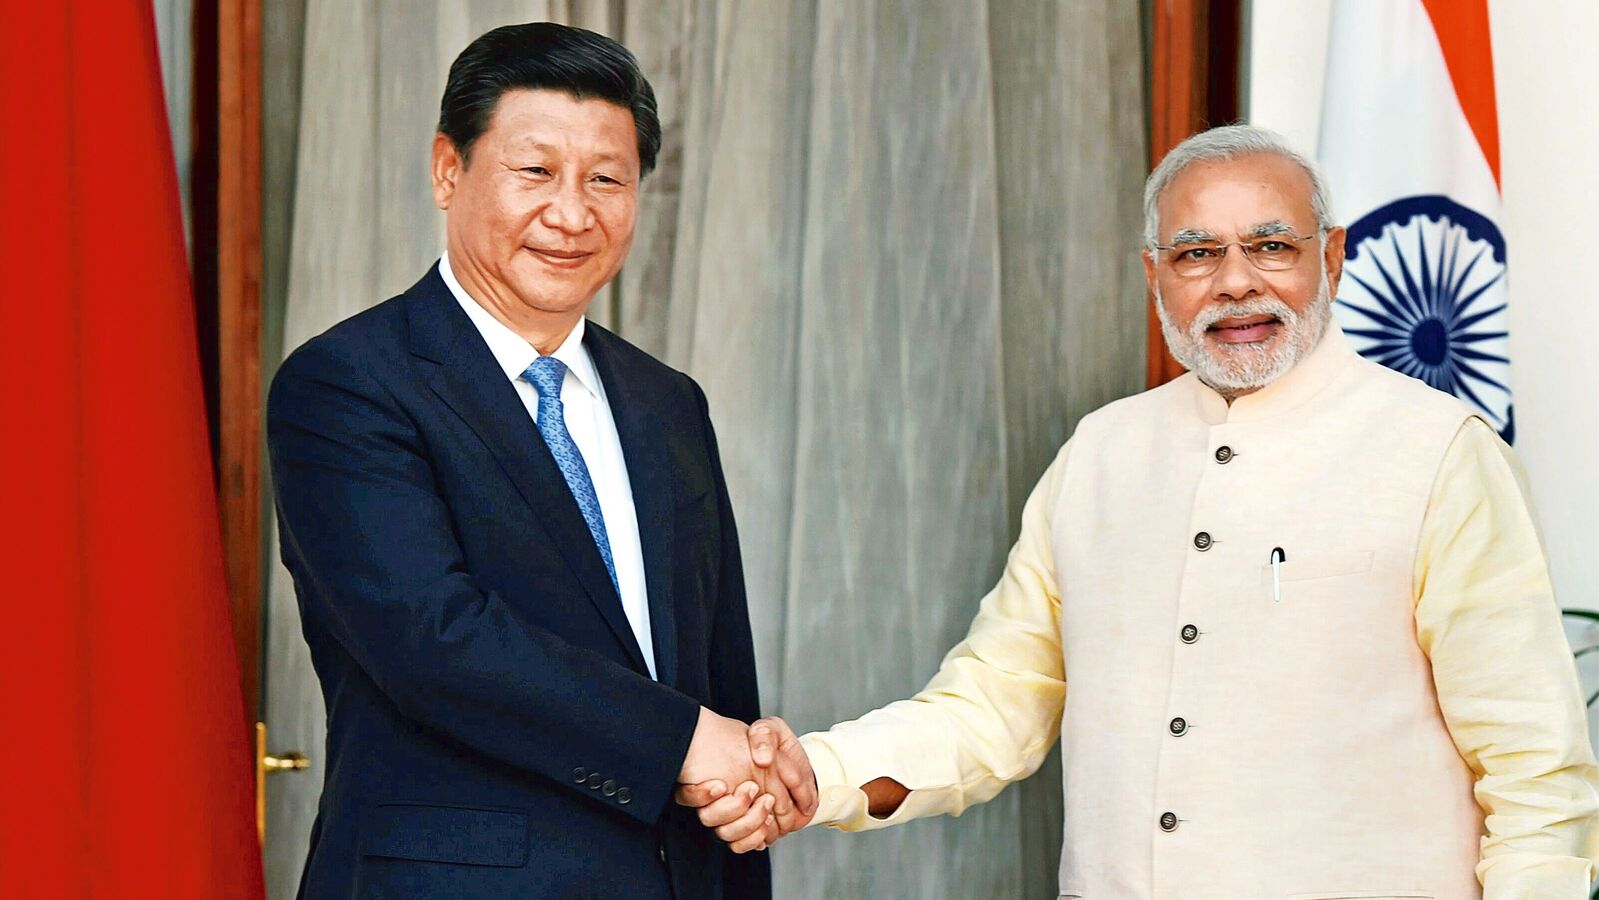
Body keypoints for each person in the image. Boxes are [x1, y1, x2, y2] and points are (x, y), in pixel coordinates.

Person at [682, 125, 1599, 898]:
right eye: (1197, 253)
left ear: (1331, 255)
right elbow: (993, 706)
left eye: (1271, 245)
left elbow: (1534, 774)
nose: (1235, 281)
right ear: (1155, 275)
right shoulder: (1102, 454)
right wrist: (819, 776)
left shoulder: (1435, 451)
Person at [268, 22, 814, 900]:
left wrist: (742, 784)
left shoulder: (667, 402)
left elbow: (717, 674)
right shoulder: (348, 384)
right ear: (449, 170)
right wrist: (681, 741)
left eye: (606, 179)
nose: (572, 213)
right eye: (535, 172)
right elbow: (432, 638)